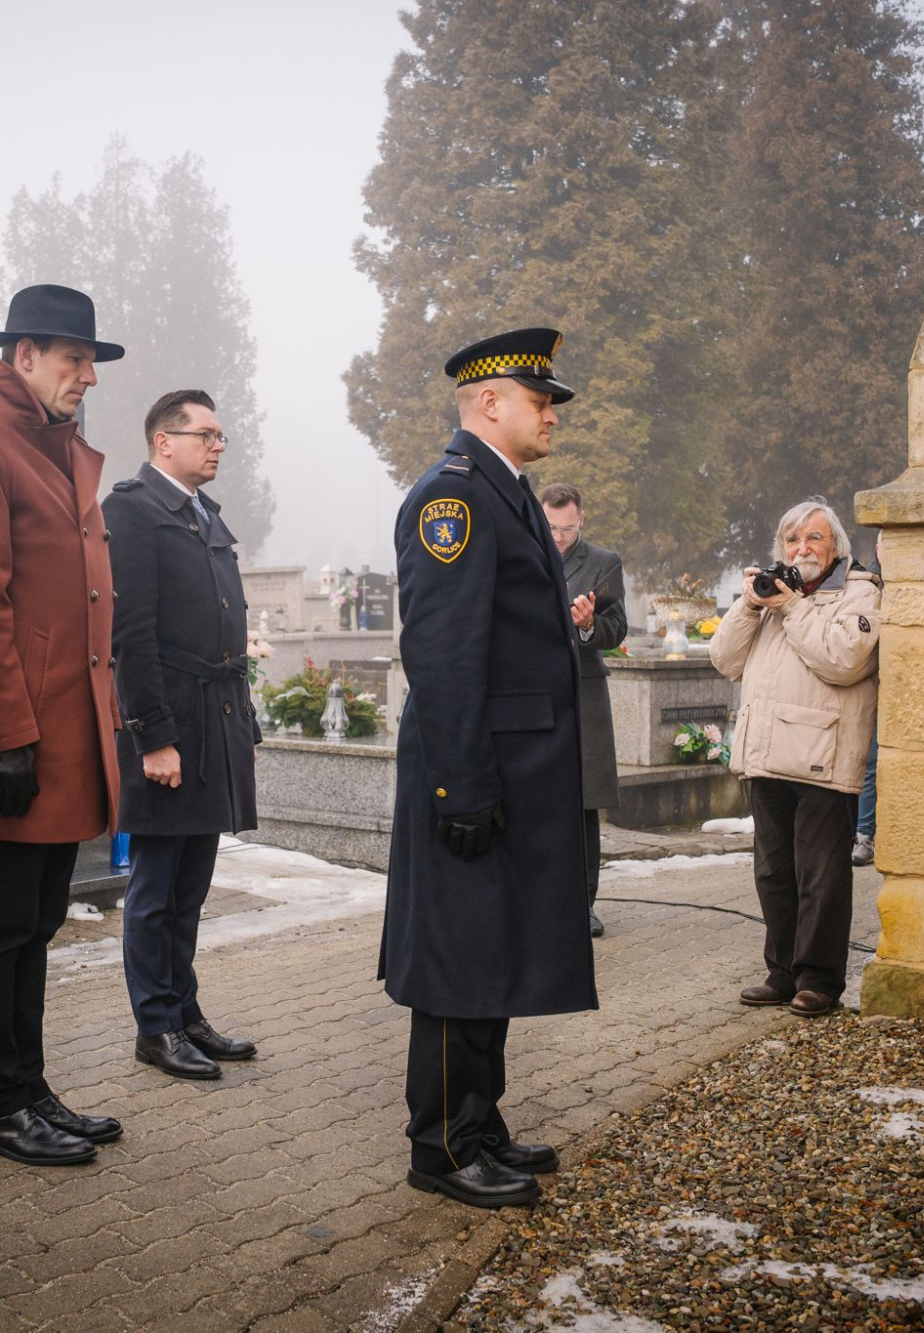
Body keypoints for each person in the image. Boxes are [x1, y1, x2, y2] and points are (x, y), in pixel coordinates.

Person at [380, 328, 596, 1210]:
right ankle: (441, 1145)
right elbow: (443, 654)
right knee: (458, 958)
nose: (552, 413)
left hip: (507, 769)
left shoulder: (505, 491)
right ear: (490, 402)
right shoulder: (454, 498)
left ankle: (480, 1121)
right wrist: (460, 786)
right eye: (539, 398)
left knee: (491, 949)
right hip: (470, 772)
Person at [0, 284, 125, 1168]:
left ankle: (29, 1086)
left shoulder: (58, 446)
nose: (88, 375)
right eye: (74, 358)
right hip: (20, 732)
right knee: (2, 925)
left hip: (67, 731)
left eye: (91, 359)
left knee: (39, 918)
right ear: (23, 356)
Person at [104, 389, 261, 1081]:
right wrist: (152, 737)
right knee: (156, 889)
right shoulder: (132, 511)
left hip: (214, 721)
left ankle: (186, 1012)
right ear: (164, 441)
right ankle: (156, 1026)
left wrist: (244, 720)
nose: (218, 445)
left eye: (221, 435)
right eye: (206, 434)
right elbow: (131, 637)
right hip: (171, 726)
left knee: (190, 886)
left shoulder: (204, 513)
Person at [708, 497, 879, 1020]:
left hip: (823, 759)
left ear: (836, 547)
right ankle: (781, 973)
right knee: (773, 874)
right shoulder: (772, 594)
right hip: (766, 756)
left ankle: (818, 981)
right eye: (792, 539)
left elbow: (843, 661)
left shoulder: (859, 591)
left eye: (814, 538)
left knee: (820, 877)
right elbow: (724, 660)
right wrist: (749, 605)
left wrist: (792, 607)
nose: (802, 548)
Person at [539, 482, 627, 938]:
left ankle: (583, 904)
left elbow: (617, 628)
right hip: (531, 691)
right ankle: (536, 902)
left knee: (582, 804)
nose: (558, 537)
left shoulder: (603, 562)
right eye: (551, 527)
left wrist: (589, 624)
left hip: (582, 692)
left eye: (567, 529)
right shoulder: (520, 553)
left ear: (581, 520)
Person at [852, 531, 884, 868]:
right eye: (884, 544)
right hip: (870, 685)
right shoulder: (868, 586)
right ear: (878, 548)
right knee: (868, 761)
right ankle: (863, 833)